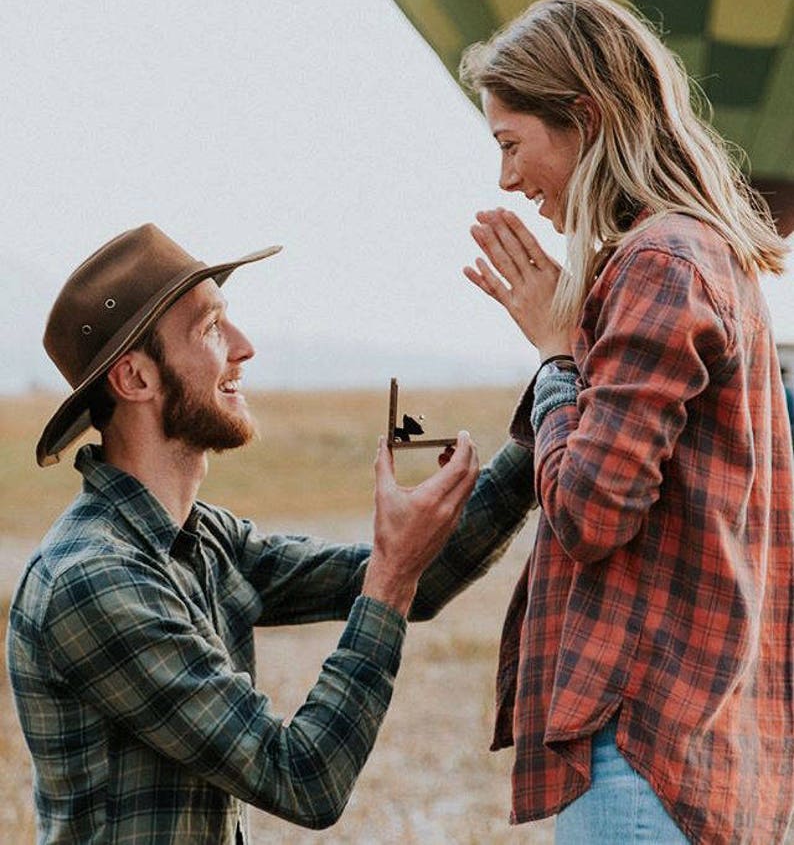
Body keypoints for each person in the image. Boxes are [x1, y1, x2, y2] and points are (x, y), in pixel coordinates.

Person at [6, 223, 536, 844]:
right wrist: (393, 573)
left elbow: (423, 576)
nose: (245, 346)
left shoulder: (205, 541)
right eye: (210, 328)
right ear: (135, 380)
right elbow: (304, 777)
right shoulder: (93, 581)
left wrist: (553, 398)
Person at [458, 0, 794, 844]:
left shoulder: (658, 260)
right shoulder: (704, 256)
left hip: (646, 751)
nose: (505, 179)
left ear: (587, 117)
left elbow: (590, 511)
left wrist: (556, 356)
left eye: (511, 143)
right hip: (709, 749)